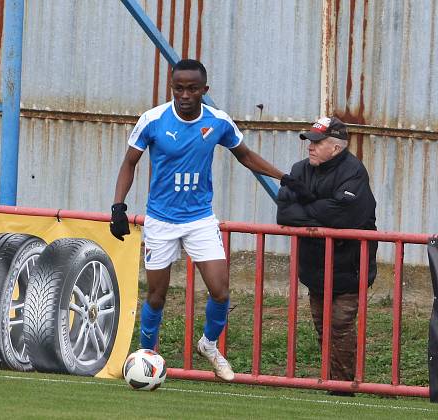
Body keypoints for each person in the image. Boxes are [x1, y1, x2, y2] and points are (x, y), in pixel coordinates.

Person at [110, 59, 284, 381]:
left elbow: (245, 156)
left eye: (192, 88)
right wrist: (118, 207)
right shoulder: (152, 120)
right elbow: (129, 163)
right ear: (172, 87)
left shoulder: (218, 122)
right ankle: (147, 357)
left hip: (200, 218)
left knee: (220, 290)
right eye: (179, 88)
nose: (185, 94)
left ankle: (208, 344)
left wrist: (283, 177)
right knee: (157, 295)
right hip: (161, 220)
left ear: (205, 89)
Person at [276, 116, 377, 396]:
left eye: (316, 142)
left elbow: (344, 216)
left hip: (349, 267)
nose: (310, 147)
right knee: (323, 328)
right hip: (315, 267)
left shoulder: (353, 172)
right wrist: (322, 210)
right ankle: (335, 382)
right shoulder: (300, 169)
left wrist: (306, 207)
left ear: (336, 148)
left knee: (340, 327)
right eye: (309, 141)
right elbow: (283, 213)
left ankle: (343, 389)